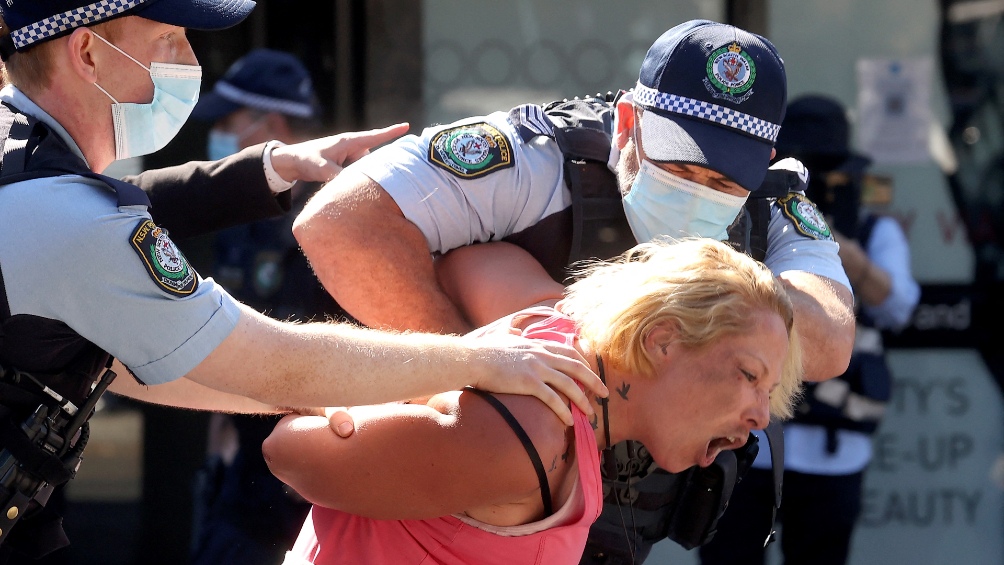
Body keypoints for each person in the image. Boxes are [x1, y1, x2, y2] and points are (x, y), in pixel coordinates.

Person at [0, 1, 605, 561]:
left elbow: (145, 360)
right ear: (87, 54)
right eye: (169, 37)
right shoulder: (70, 219)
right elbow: (267, 358)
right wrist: (479, 361)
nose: (189, 60)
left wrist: (275, 166)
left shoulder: (23, 163)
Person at [292, 19, 855, 563]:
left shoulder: (771, 200)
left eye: (725, 182)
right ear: (630, 122)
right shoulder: (539, 158)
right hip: (471, 514)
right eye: (680, 165)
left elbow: (828, 342)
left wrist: (675, 302)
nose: (697, 192)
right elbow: (340, 226)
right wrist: (476, 377)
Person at [263, 237, 804, 565]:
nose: (760, 415)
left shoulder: (557, 333)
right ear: (660, 340)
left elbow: (472, 260)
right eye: (749, 376)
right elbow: (286, 451)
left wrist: (452, 365)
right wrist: (430, 376)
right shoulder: (529, 436)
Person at [698, 95, 921, 565]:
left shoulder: (874, 229)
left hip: (833, 448)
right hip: (743, 445)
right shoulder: (748, 220)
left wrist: (830, 248)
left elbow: (900, 305)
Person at [185, 48, 336, 565]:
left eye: (230, 123)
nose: (223, 137)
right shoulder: (246, 215)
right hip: (244, 468)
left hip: (310, 479)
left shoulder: (336, 215)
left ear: (270, 123)